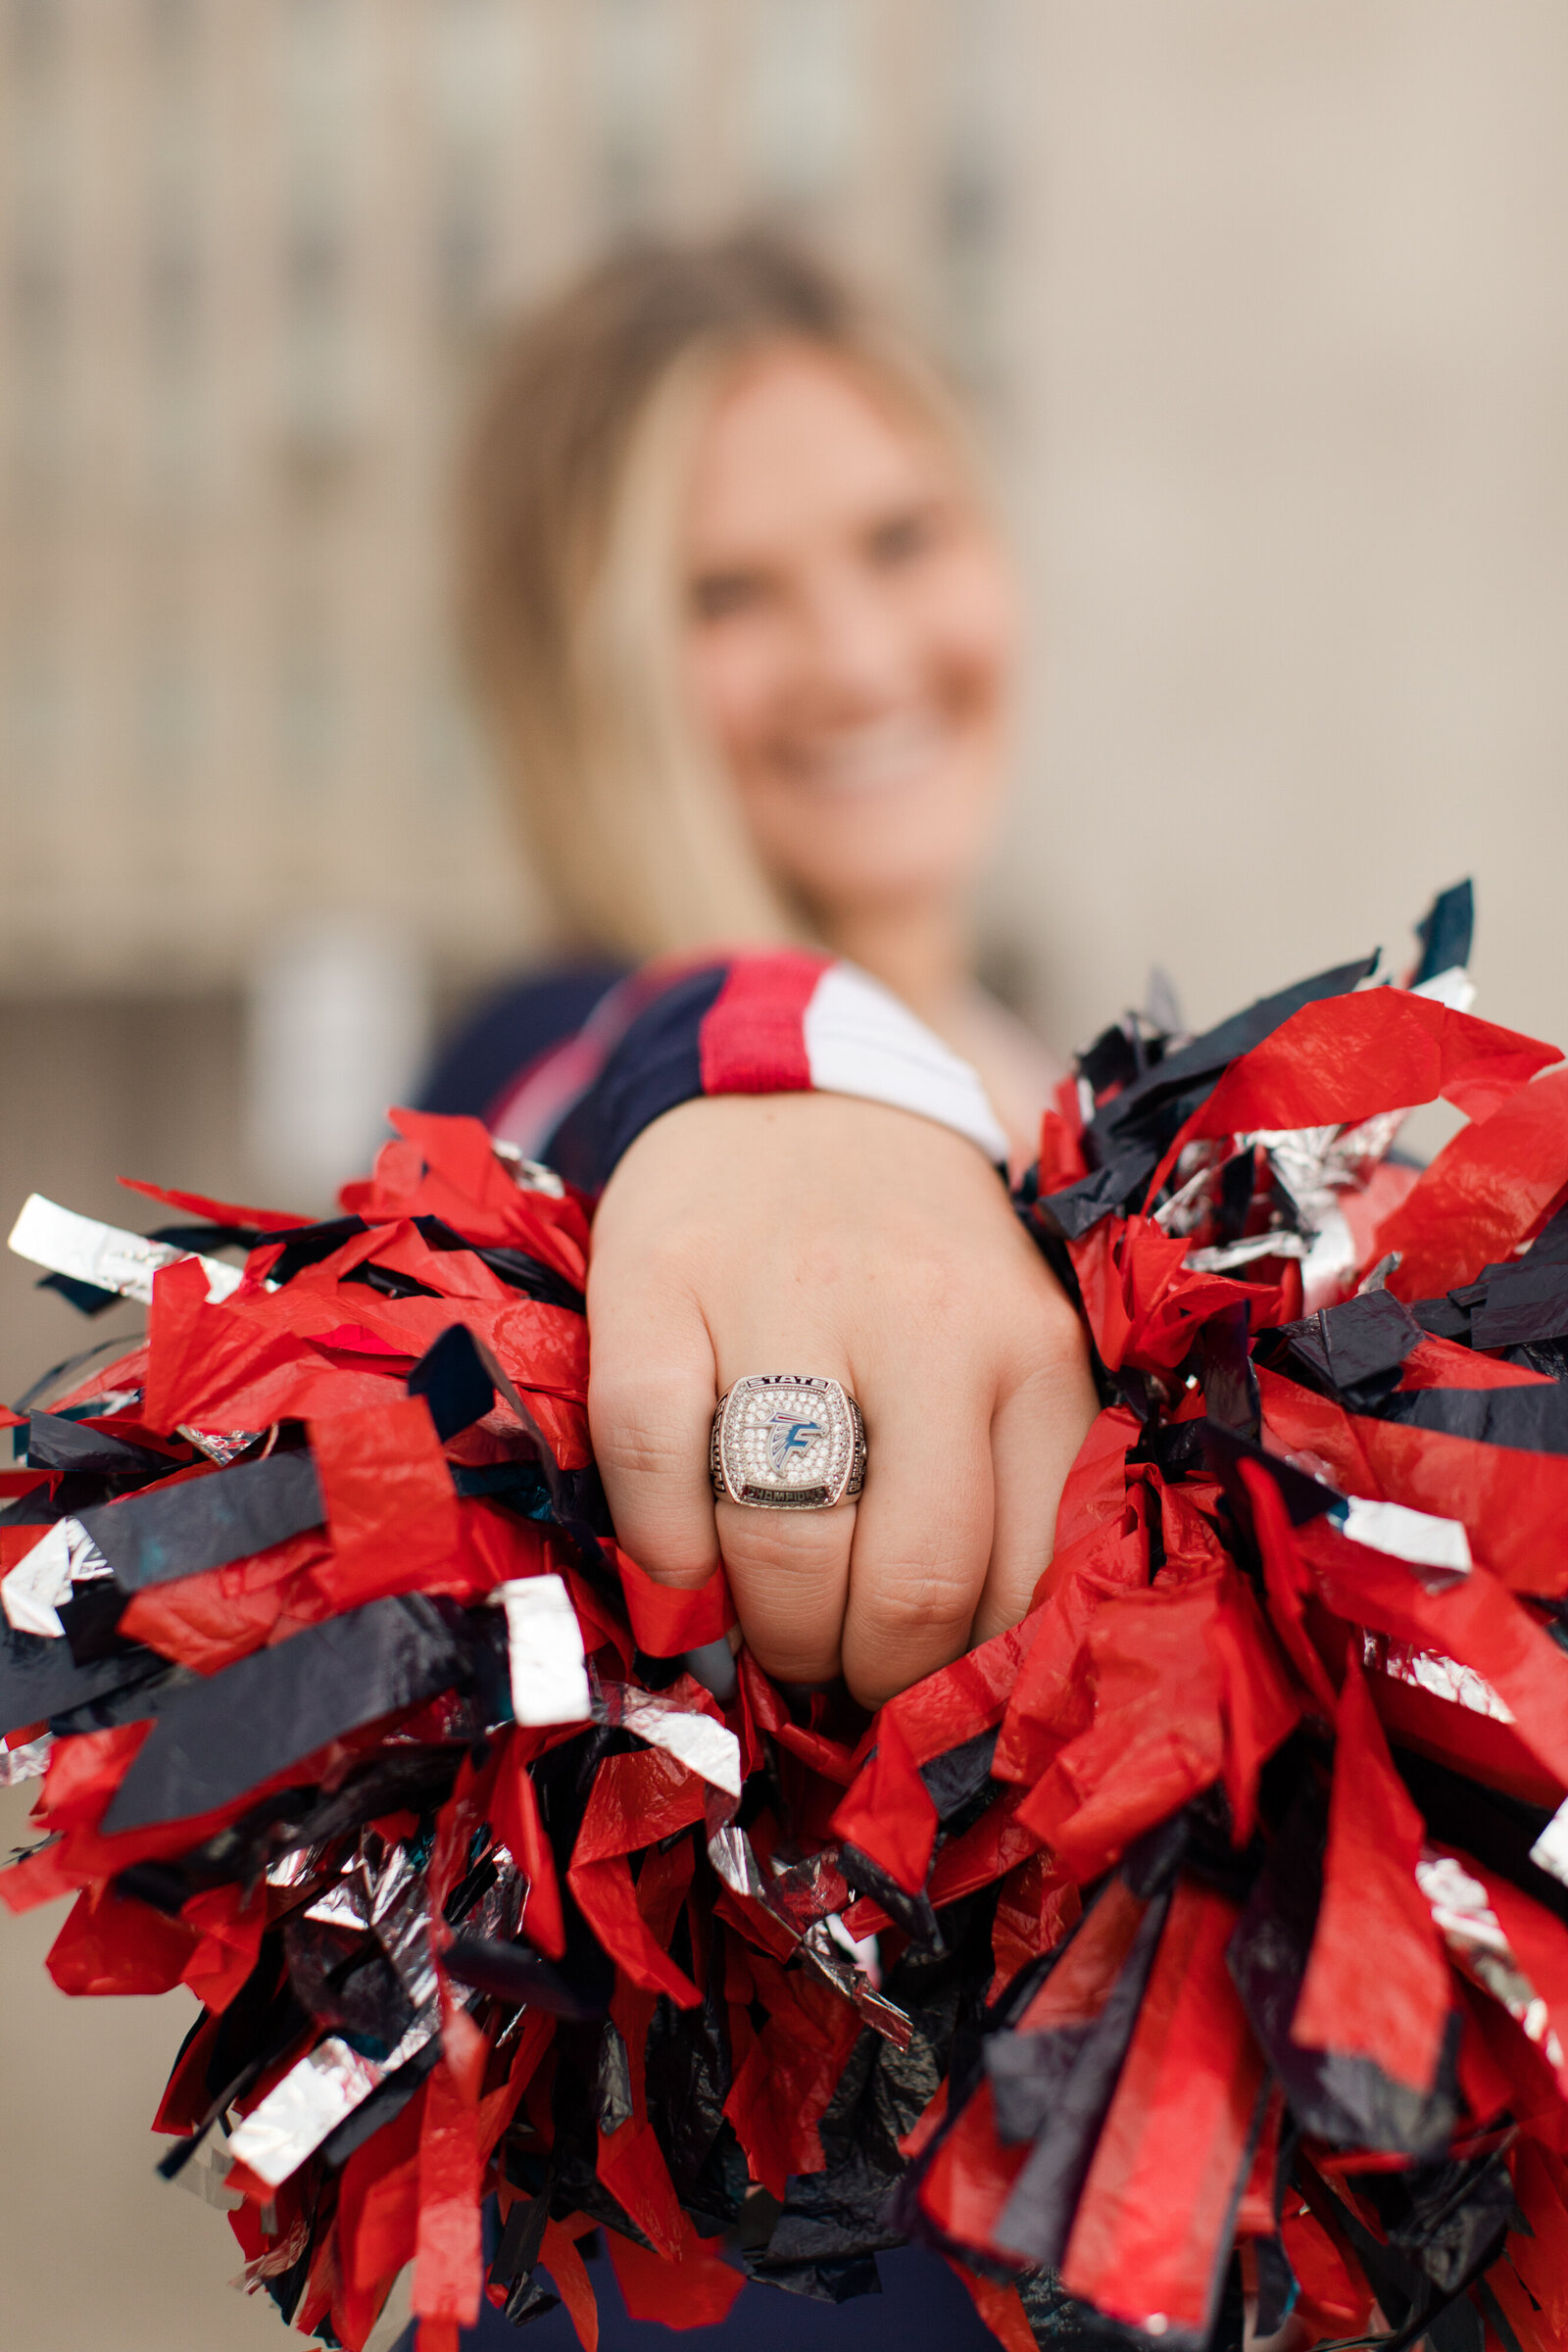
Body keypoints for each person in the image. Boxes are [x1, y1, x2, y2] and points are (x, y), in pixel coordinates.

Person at [413, 233, 1098, 2349]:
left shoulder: (1075, 1072)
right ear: (584, 662)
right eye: (724, 594)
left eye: (899, 537)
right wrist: (753, 1070)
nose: (854, 647)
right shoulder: (548, 1074)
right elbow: (654, 1096)